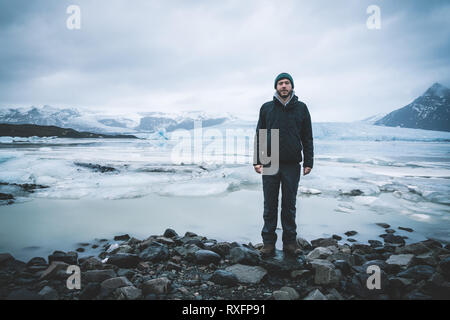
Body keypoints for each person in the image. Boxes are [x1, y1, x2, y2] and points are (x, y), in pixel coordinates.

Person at [254, 72, 314, 257]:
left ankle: (289, 243)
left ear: (292, 86)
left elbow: (307, 136)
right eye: (280, 83)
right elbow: (260, 134)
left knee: (289, 205)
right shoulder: (267, 108)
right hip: (270, 162)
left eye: (287, 83)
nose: (284, 86)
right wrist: (258, 160)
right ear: (276, 87)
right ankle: (268, 244)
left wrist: (308, 161)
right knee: (270, 205)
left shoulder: (301, 108)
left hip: (291, 163)